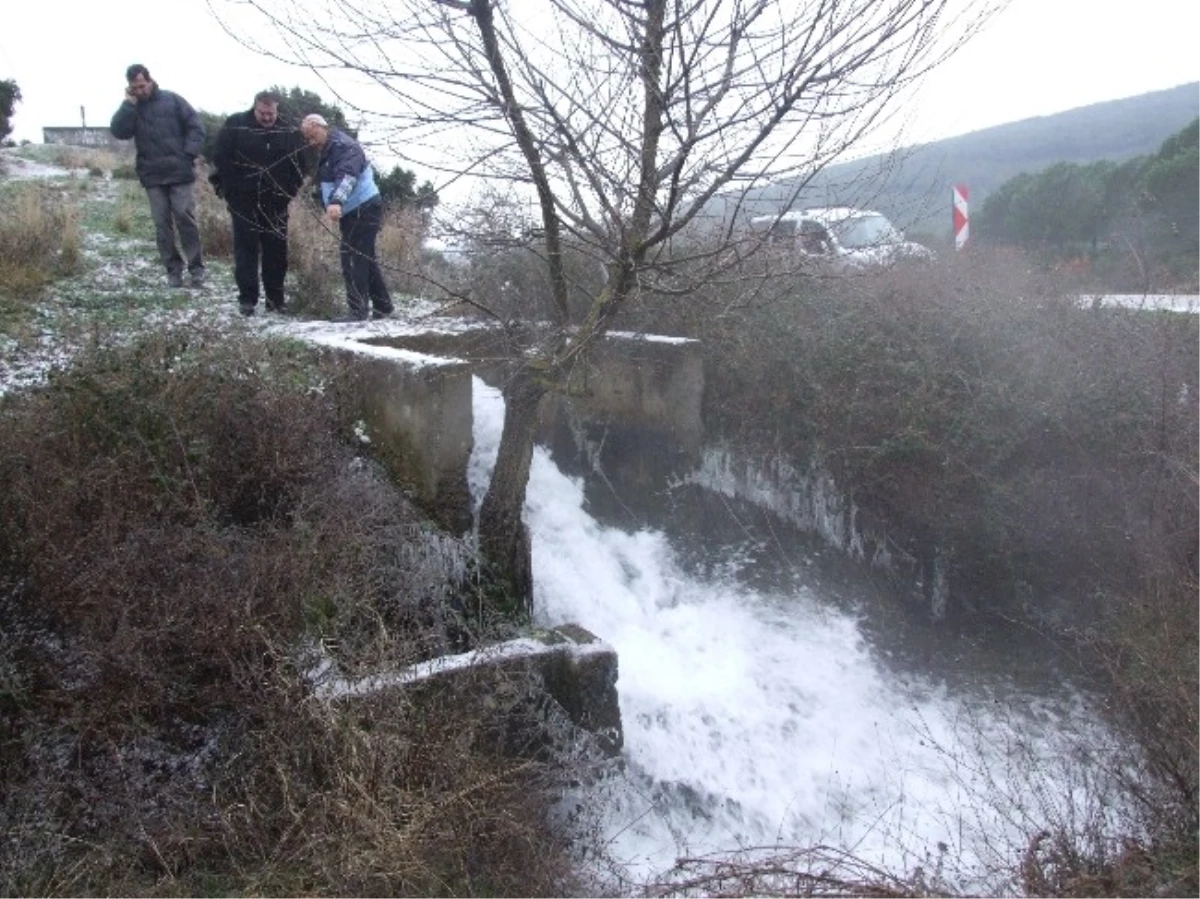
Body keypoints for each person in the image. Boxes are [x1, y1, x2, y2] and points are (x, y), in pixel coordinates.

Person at [209, 91, 307, 316]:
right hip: (243, 201)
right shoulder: (236, 124)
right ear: (255, 107)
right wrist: (231, 191)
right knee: (246, 251)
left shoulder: (288, 131)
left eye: (271, 113)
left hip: (277, 202)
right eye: (263, 113)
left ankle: (276, 300)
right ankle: (247, 300)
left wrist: (288, 193)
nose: (266, 118)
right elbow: (221, 158)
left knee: (277, 253)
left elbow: (300, 166)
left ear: (277, 109)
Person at [110, 64, 206, 289]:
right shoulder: (133, 107)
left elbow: (196, 126)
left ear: (150, 81)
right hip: (152, 174)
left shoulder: (172, 100)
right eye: (135, 88)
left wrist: (189, 153)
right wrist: (128, 105)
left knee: (185, 217)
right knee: (162, 225)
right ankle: (173, 271)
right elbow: (119, 131)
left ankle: (196, 269)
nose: (140, 91)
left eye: (142, 86)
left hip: (179, 171)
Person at [300, 114, 393, 321]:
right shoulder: (329, 147)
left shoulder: (343, 146)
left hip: (362, 207)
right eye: (306, 138)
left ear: (318, 126)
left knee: (352, 257)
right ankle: (383, 306)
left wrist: (336, 201)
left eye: (310, 135)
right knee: (364, 257)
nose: (309, 142)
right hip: (356, 209)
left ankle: (357, 311)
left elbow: (347, 175)